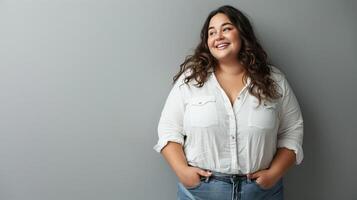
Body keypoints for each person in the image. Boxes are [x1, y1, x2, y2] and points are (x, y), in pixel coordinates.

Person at [153, 5, 303, 200]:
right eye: (212, 32)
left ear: (242, 33)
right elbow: (168, 128)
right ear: (207, 42)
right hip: (201, 193)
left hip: (261, 193)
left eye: (226, 29)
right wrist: (182, 171)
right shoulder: (191, 81)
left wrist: (273, 174)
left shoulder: (274, 80)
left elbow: (292, 130)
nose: (218, 36)